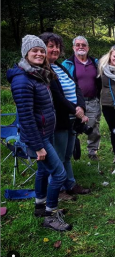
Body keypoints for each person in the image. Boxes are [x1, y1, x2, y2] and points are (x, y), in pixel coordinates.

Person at [7, 35, 72, 231]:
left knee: (43, 171)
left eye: (41, 50)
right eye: (34, 50)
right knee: (59, 174)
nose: (39, 53)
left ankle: (40, 206)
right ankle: (50, 215)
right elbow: (26, 118)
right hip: (38, 137)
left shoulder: (38, 74)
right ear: (26, 53)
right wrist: (37, 146)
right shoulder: (22, 80)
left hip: (45, 131)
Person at [39, 32, 91, 200]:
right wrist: (74, 110)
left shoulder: (58, 66)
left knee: (68, 155)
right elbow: (57, 96)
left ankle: (70, 183)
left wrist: (81, 107)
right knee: (59, 157)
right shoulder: (43, 69)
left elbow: (76, 87)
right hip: (59, 119)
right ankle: (59, 189)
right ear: (42, 48)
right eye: (51, 46)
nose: (55, 49)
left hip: (71, 119)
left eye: (57, 46)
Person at [62, 36, 101, 161]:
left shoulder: (95, 63)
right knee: (73, 127)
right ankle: (72, 148)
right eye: (78, 45)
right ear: (73, 48)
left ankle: (92, 151)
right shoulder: (67, 64)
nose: (81, 47)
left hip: (93, 100)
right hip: (74, 102)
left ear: (88, 48)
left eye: (83, 45)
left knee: (93, 127)